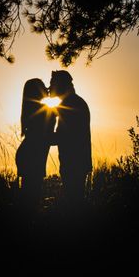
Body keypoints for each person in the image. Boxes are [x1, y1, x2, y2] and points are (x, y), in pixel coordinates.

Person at [50, 70, 92, 202]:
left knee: (73, 202)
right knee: (76, 201)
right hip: (77, 162)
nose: (50, 87)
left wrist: (40, 138)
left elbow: (63, 136)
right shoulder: (74, 102)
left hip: (73, 163)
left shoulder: (69, 105)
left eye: (52, 84)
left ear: (60, 85)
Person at [15, 78, 55, 205]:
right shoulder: (45, 111)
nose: (47, 88)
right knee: (31, 197)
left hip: (27, 154)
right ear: (37, 91)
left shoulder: (32, 110)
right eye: (43, 86)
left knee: (28, 195)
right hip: (32, 156)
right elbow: (47, 137)